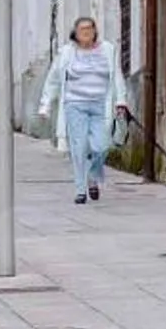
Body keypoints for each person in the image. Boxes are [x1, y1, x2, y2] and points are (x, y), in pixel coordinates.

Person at [34, 16, 130, 206]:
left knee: (101, 146)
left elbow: (116, 76)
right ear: (75, 33)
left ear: (95, 31)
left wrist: (121, 101)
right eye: (82, 29)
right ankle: (80, 189)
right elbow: (54, 79)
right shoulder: (67, 52)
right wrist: (45, 104)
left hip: (100, 104)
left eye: (90, 28)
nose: (86, 32)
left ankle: (93, 175)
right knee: (79, 147)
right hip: (74, 104)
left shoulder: (108, 50)